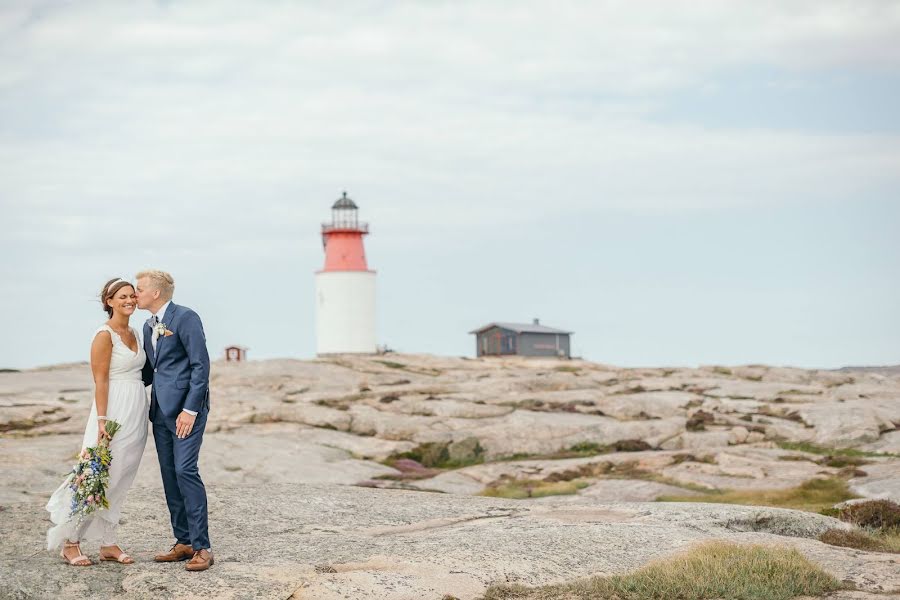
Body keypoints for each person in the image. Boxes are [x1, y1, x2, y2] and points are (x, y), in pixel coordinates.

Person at [46, 278, 149, 566]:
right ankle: (71, 541)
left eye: (132, 296)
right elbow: (100, 379)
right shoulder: (104, 335)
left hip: (136, 410)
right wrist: (102, 420)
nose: (129, 300)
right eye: (122, 297)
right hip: (112, 410)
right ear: (109, 301)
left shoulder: (135, 332)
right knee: (99, 475)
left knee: (122, 476)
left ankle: (108, 543)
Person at [135, 269, 213, 571]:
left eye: (140, 289)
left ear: (156, 293)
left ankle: (203, 547)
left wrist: (190, 410)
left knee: (185, 471)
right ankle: (183, 541)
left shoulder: (186, 317)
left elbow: (200, 366)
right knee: (169, 475)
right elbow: (151, 371)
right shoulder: (147, 326)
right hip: (160, 412)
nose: (135, 293)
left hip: (186, 413)